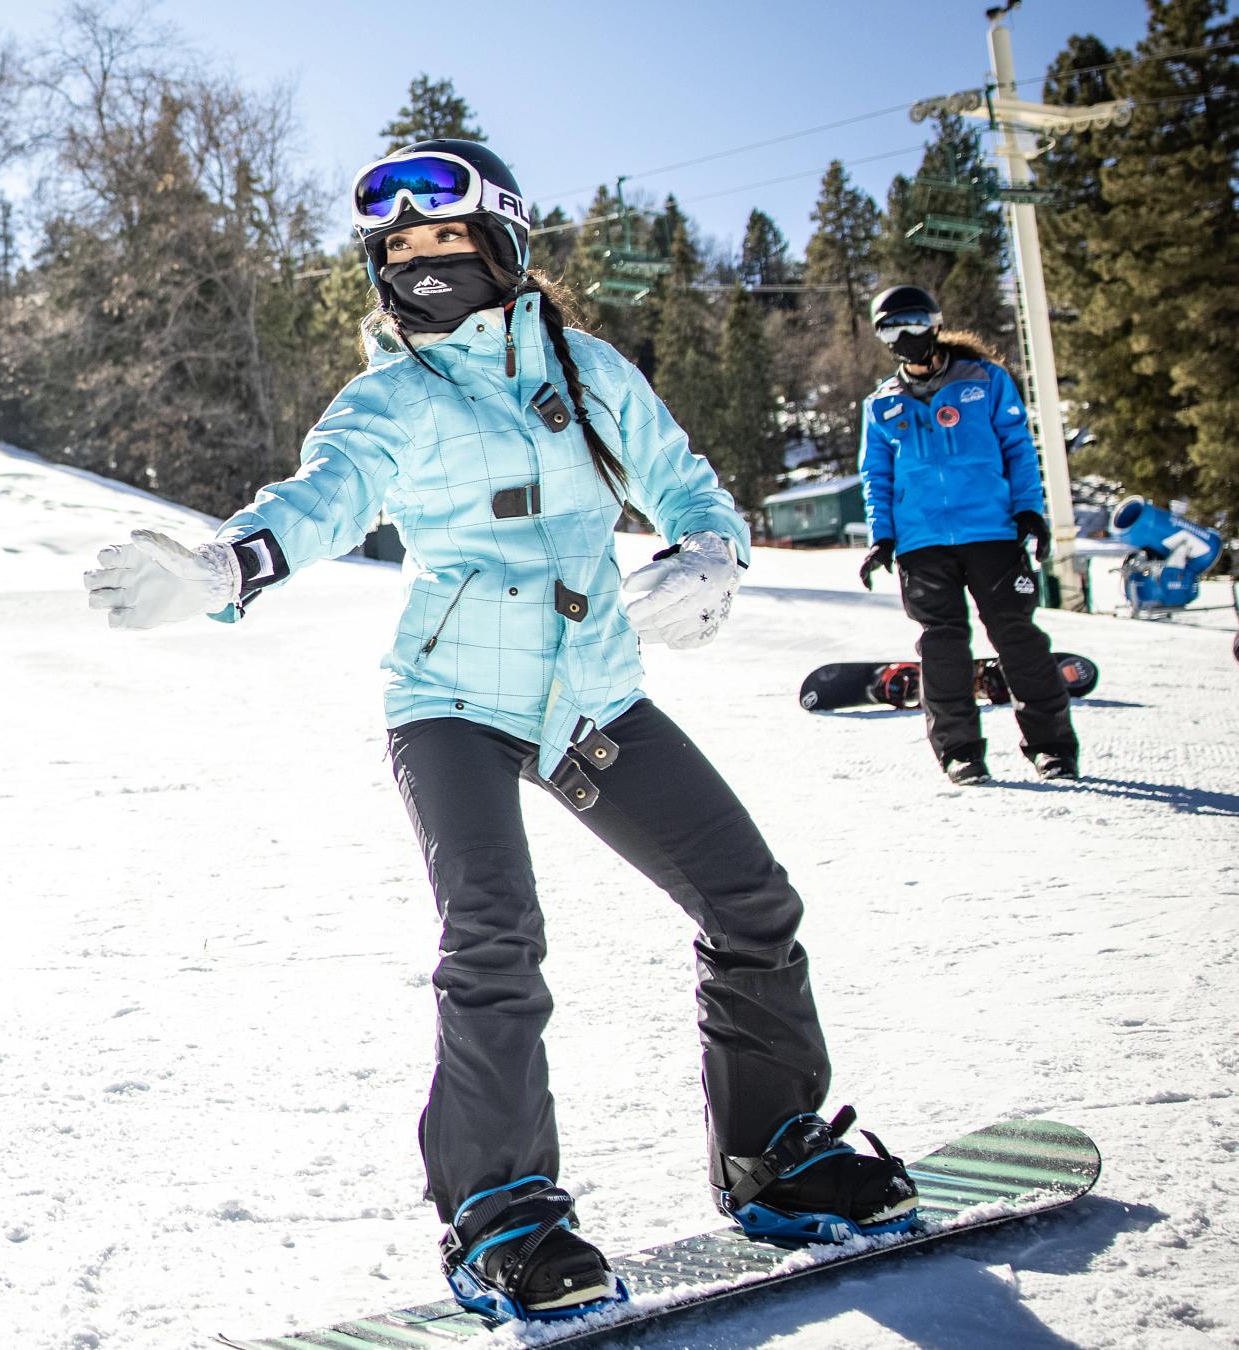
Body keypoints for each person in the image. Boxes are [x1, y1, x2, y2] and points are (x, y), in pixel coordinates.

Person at [82, 140, 916, 1324]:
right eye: (401, 251)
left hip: (589, 691)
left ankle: (774, 1154)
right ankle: (502, 1215)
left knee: (750, 903)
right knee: (494, 937)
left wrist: (710, 552)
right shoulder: (388, 399)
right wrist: (229, 564)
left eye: (447, 242)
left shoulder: (581, 367)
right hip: (454, 700)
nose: (425, 267)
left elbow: (681, 481)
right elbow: (324, 499)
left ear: (504, 249)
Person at [855, 284, 1079, 784]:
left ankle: (1052, 747)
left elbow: (1019, 448)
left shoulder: (986, 380)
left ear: (935, 324)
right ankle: (960, 752)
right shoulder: (881, 405)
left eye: (913, 324)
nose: (905, 336)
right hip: (922, 541)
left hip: (991, 533)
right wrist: (882, 537)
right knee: (943, 645)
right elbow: (877, 477)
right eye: (892, 328)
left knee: (1017, 638)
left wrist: (1029, 511)